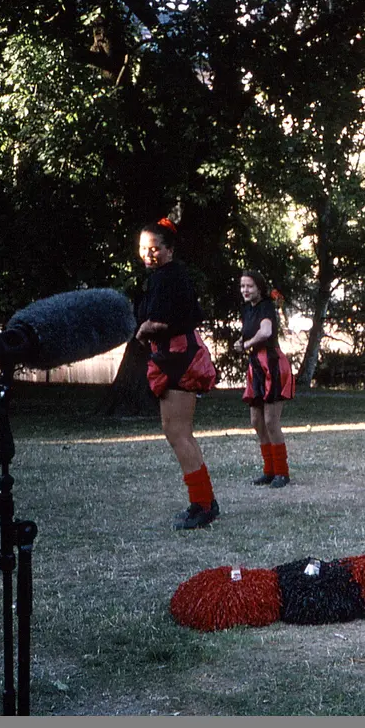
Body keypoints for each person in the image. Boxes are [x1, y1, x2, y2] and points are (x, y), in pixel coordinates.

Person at [135, 218, 220, 530]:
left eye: (155, 248)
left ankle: (203, 505)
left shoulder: (168, 277)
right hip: (175, 355)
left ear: (169, 250)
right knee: (179, 432)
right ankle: (204, 501)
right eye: (143, 248)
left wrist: (142, 332)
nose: (148, 253)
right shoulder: (167, 276)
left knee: (177, 432)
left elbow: (159, 322)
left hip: (179, 358)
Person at [234, 271, 295, 487]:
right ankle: (269, 470)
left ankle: (282, 473)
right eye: (242, 286)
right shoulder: (247, 309)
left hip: (272, 365)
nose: (245, 290)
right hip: (257, 366)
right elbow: (249, 334)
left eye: (249, 286)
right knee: (257, 421)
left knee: (270, 420)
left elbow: (266, 332)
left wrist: (247, 344)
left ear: (259, 288)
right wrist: (241, 343)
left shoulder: (266, 306)